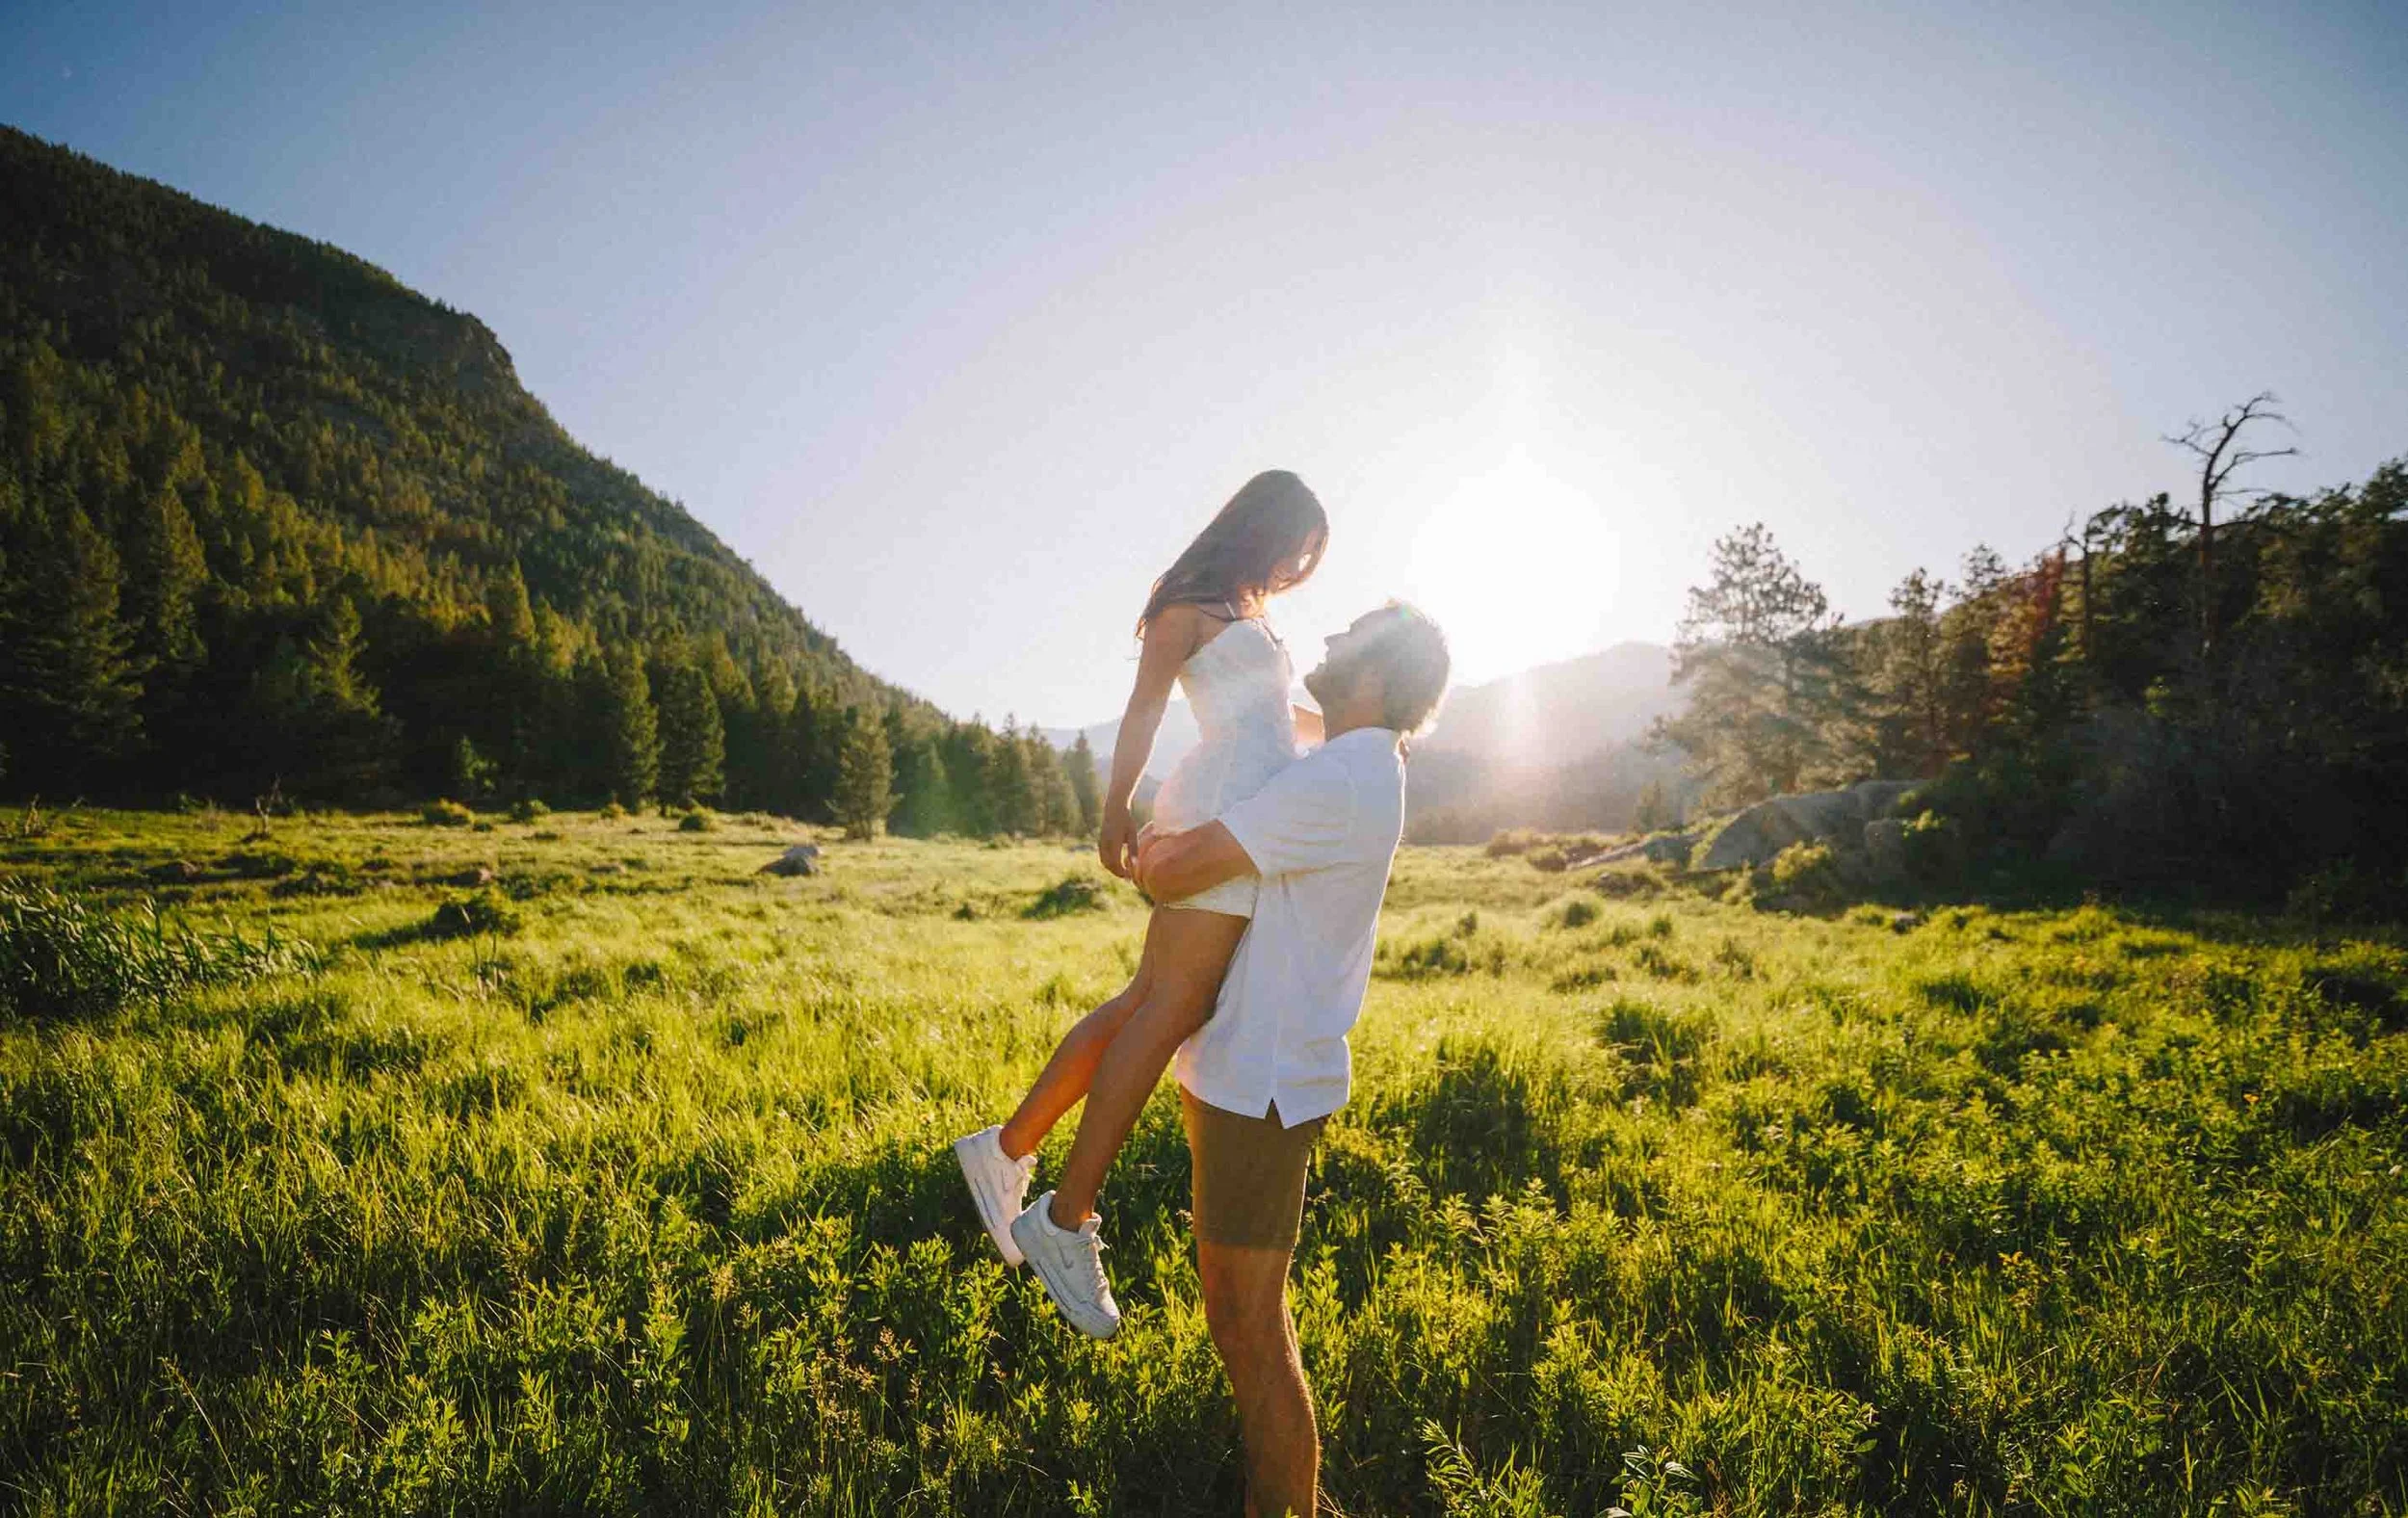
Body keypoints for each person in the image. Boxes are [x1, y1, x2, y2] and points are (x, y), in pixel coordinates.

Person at [952, 469, 1329, 1338]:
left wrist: (1363, 731)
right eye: (1295, 546)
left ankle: (1006, 1151)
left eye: (1309, 556)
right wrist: (1113, 808)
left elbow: (1282, 714)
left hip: (1251, 813)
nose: (1298, 564)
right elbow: (1144, 710)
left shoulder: (1247, 609)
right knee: (1168, 1011)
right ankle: (1064, 1218)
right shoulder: (1189, 605)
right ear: (1261, 527)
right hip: (1221, 813)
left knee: (1146, 1007)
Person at [1129, 601, 1451, 1518]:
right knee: (1241, 1319)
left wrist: (1147, 851)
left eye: (1352, 638)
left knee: (1249, 1327)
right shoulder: (1356, 761)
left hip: (1260, 1085)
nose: (1332, 640)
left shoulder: (1341, 780)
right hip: (1253, 1070)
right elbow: (1291, 732)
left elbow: (1184, 870)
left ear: (1378, 678)